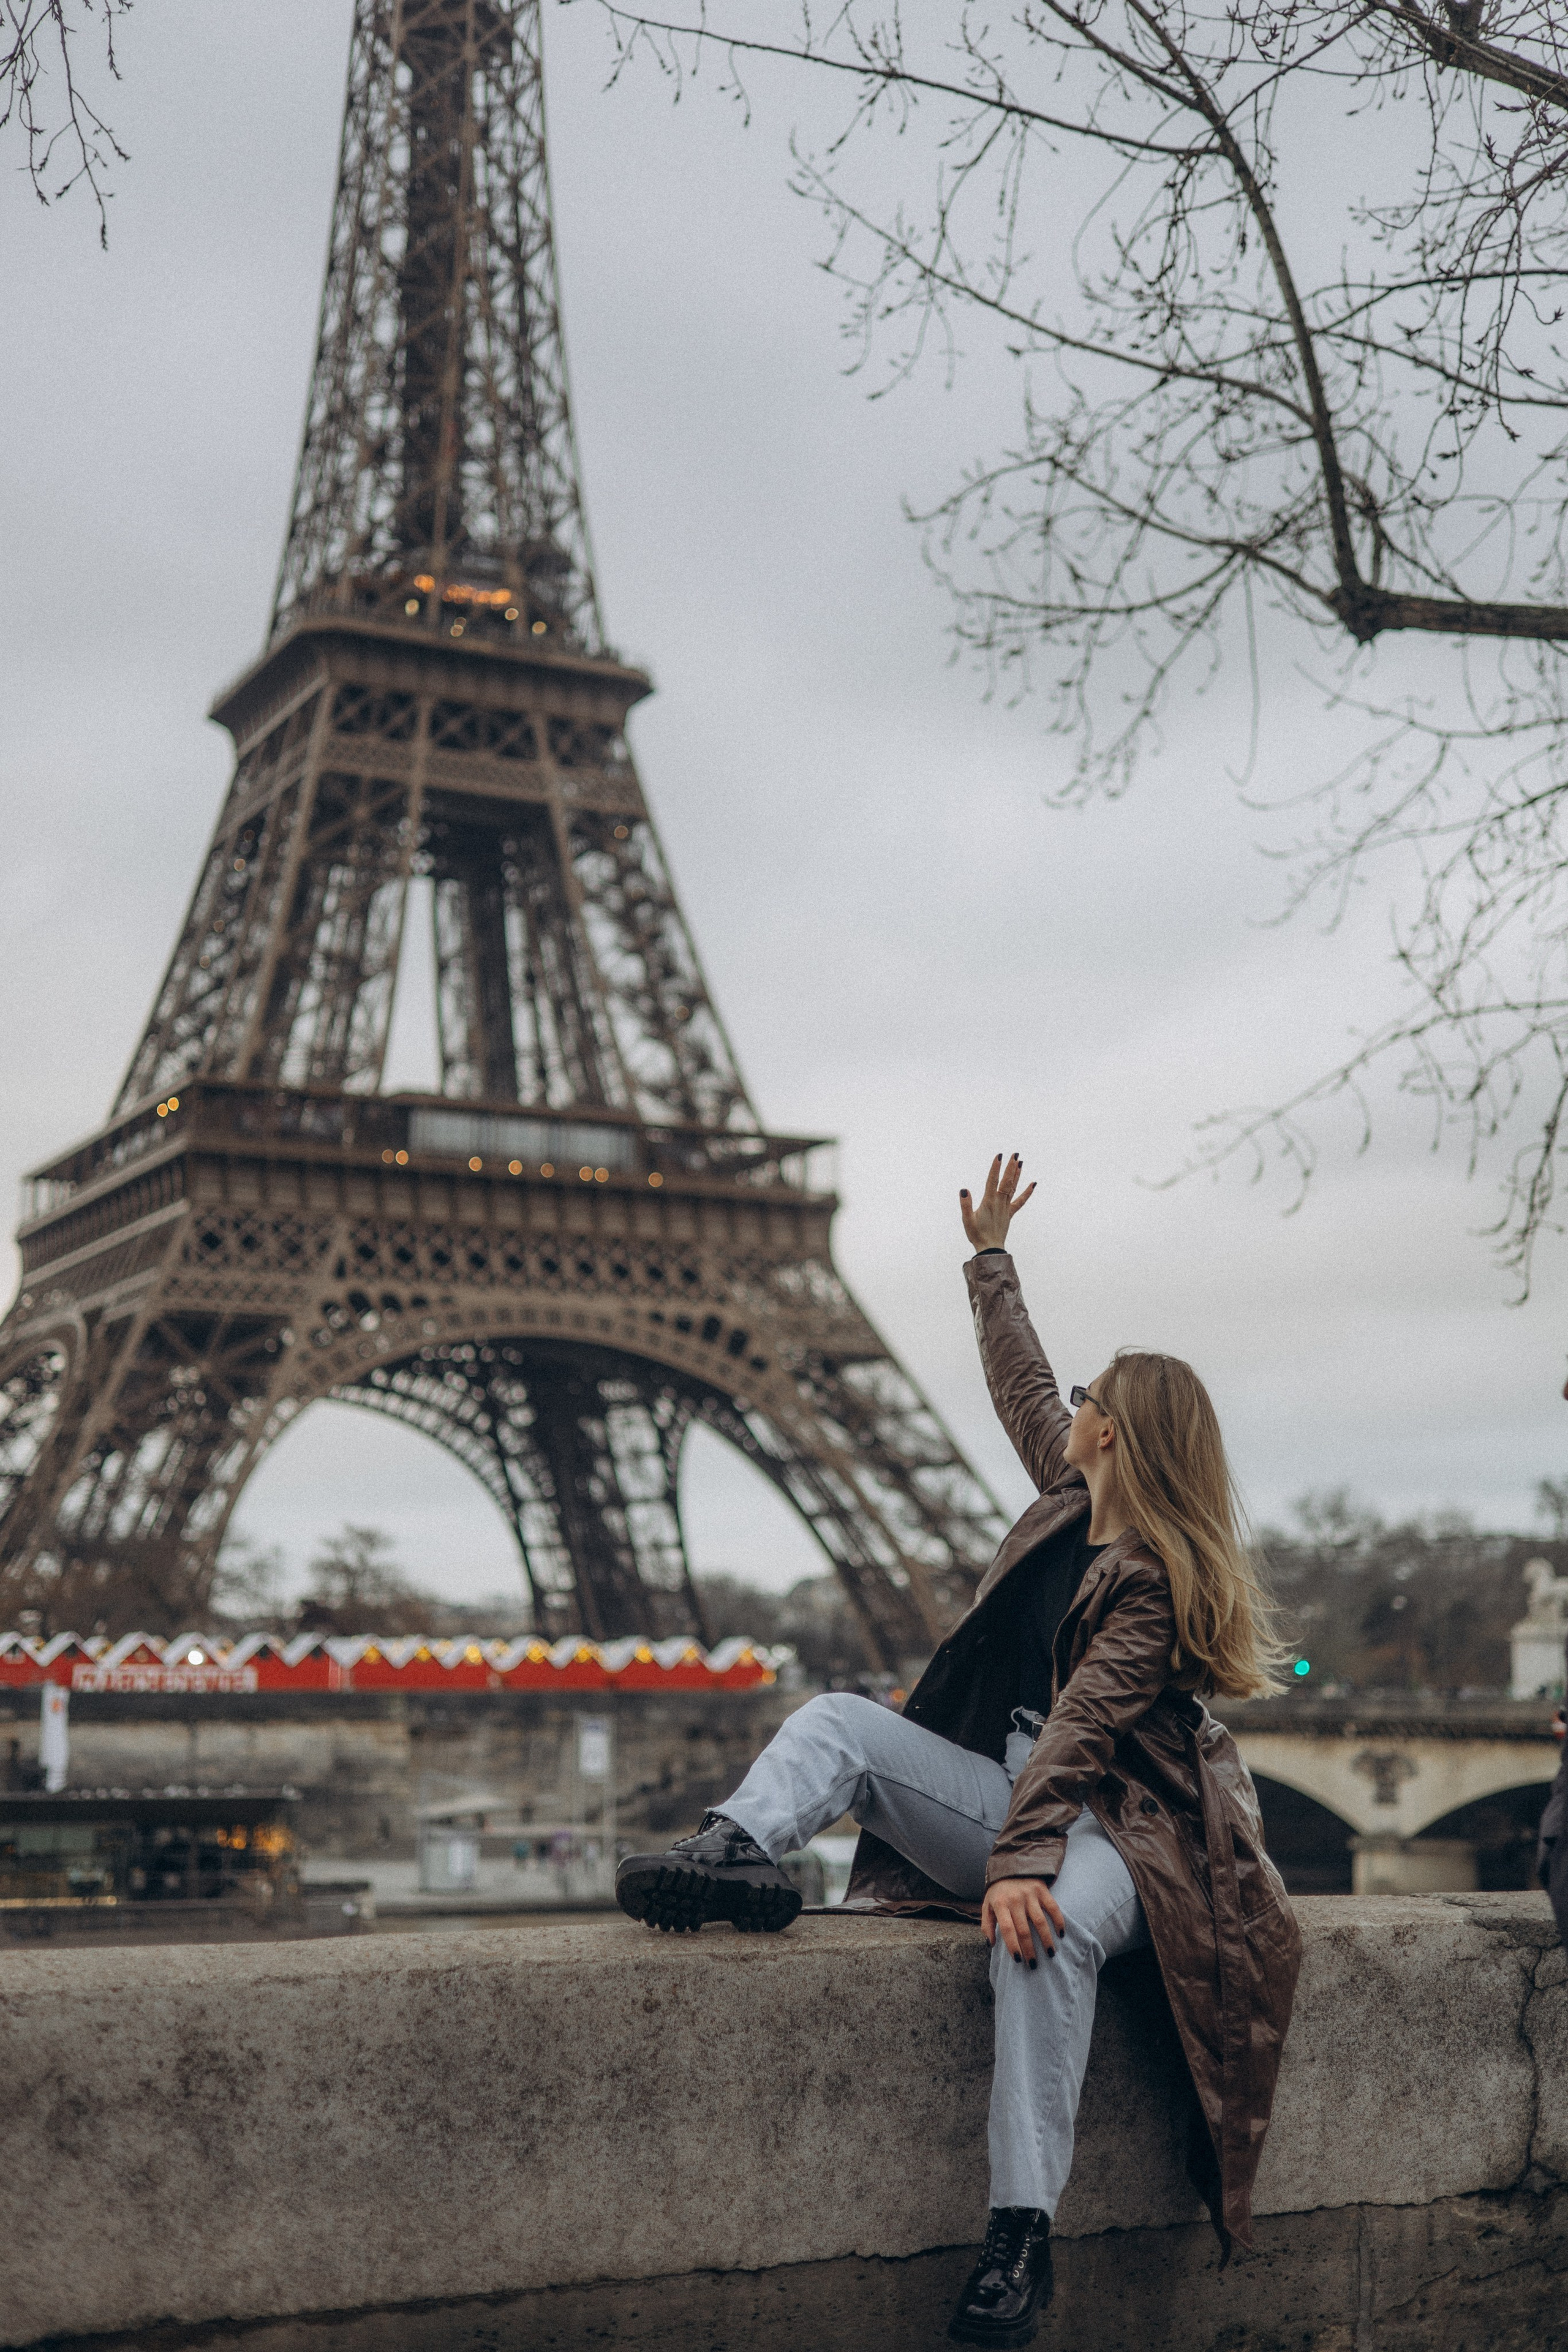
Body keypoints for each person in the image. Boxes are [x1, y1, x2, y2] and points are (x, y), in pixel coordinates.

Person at [616, 1155, 1302, 2346]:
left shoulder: (1150, 1584)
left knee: (1041, 1938)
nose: (1071, 1404)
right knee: (837, 1720)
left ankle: (1016, 2239)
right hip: (1031, 1789)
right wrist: (989, 1264)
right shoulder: (1066, 1498)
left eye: (1093, 1395)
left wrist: (1018, 1863)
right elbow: (1022, 1387)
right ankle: (733, 1847)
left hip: (1129, 1832)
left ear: (1120, 1435)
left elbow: (1086, 1731)